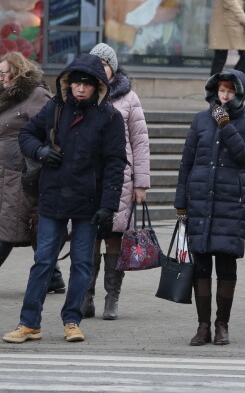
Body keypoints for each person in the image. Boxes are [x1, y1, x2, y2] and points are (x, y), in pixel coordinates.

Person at [2, 53, 127, 344]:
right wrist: (40, 151)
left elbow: (115, 164)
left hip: (88, 202)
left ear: (98, 87)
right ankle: (29, 323)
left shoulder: (110, 117)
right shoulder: (56, 107)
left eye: (87, 83)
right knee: (43, 261)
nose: (80, 88)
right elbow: (28, 134)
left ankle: (72, 320)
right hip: (53, 197)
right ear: (67, 84)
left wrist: (108, 206)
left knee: (82, 264)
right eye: (76, 83)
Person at [174, 69, 245, 346]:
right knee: (200, 267)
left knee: (226, 266)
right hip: (199, 201)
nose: (224, 96)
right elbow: (186, 163)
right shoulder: (200, 120)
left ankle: (222, 325)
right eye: (221, 91)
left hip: (229, 203)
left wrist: (226, 125)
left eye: (230, 91)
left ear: (239, 94)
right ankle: (202, 326)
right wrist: (180, 202)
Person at [80, 43, 151, 321]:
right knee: (89, 239)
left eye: (105, 63)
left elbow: (140, 142)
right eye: (95, 62)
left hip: (121, 177)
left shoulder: (128, 98)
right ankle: (86, 297)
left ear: (113, 67)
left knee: (114, 238)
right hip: (88, 177)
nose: (100, 68)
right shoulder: (83, 92)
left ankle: (112, 298)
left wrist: (140, 184)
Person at [0, 52, 67, 294]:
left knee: (7, 226)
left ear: (17, 71)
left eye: (3, 72)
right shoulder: (7, 97)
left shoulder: (36, 95)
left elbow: (52, 129)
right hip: (5, 173)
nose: (0, 77)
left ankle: (51, 276)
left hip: (20, 173)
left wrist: (39, 153)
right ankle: (54, 277)